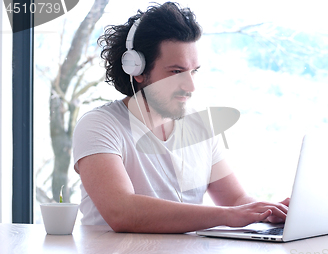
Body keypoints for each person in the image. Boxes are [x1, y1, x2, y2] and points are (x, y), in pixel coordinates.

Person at [72, 2, 289, 233]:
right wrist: (228, 215)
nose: (191, 86)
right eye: (176, 72)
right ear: (137, 70)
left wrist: (270, 212)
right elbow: (122, 212)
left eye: (193, 71)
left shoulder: (201, 127)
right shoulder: (99, 126)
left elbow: (235, 201)